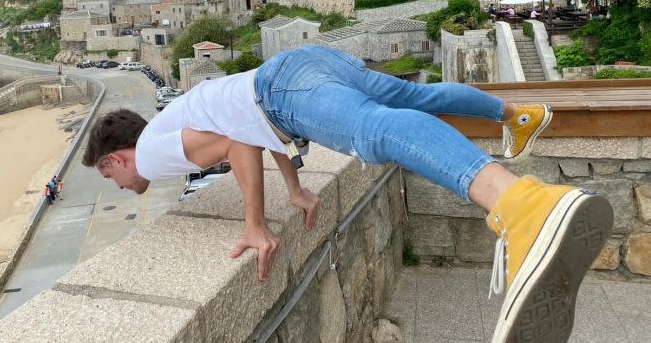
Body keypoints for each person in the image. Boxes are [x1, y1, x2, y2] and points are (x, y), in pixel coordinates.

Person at [83, 46, 612, 343]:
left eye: (112, 179)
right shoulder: (172, 123)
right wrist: (294, 186)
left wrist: (254, 223)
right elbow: (246, 127)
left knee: (373, 131)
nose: (123, 187)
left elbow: (236, 138)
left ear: (115, 158)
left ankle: (523, 205)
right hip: (307, 64)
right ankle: (515, 114)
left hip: (282, 89)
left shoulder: (151, 153)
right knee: (414, 97)